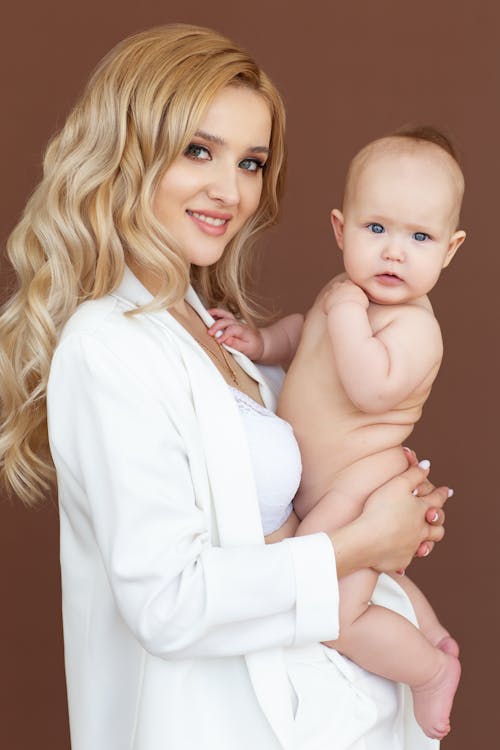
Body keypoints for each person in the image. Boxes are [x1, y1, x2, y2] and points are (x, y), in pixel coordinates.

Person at [0, 24, 451, 750]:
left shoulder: (207, 326)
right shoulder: (105, 345)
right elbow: (169, 604)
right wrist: (362, 539)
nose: (230, 190)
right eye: (198, 151)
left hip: (341, 718)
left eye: (251, 162)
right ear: (129, 150)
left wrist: (398, 517)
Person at [209, 129, 465, 740]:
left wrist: (345, 313)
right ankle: (433, 635)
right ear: (339, 229)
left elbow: (370, 388)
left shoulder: (413, 327)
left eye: (419, 237)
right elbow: (306, 335)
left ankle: (428, 670)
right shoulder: (343, 293)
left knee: (330, 609)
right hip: (328, 484)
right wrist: (264, 342)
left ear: (450, 251)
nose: (394, 253)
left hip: (364, 480)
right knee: (377, 573)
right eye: (376, 229)